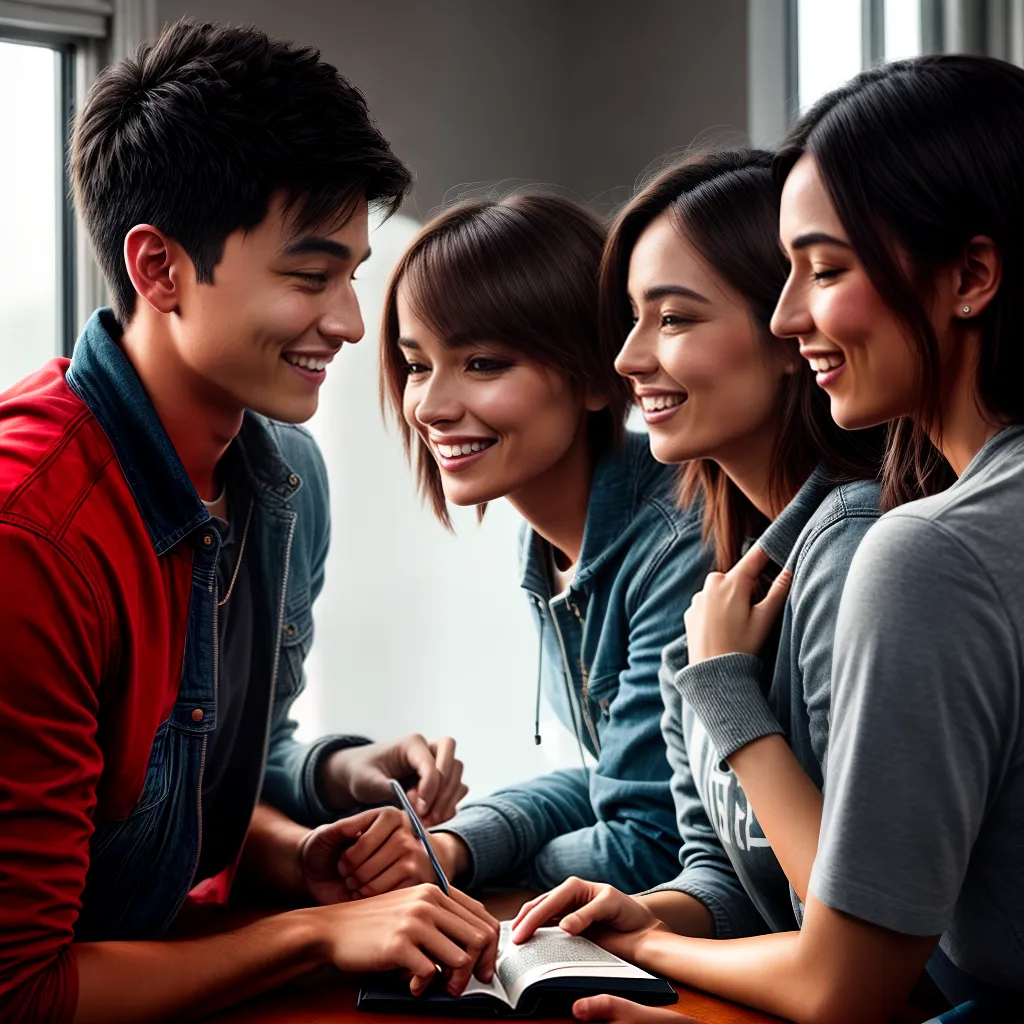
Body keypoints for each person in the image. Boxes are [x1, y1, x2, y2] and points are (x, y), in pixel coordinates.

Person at [0, 18, 498, 1024]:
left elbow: (212, 772)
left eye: (352, 274)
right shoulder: (31, 533)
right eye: (311, 276)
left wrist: (307, 842)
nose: (353, 323)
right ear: (160, 269)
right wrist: (313, 932)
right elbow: (23, 986)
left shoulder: (284, 482)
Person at [512, 56, 1024, 1024]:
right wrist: (651, 912)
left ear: (971, 276)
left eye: (823, 271)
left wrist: (646, 941)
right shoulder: (723, 589)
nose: (793, 318)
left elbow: (859, 971)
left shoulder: (914, 550)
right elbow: (734, 872)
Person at [513, 147, 882, 941]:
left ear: (788, 331)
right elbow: (733, 882)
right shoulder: (715, 579)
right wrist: (633, 912)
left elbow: (857, 930)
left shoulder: (855, 551)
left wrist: (720, 687)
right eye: (633, 320)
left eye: (673, 318)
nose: (627, 360)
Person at [349, 192, 710, 898]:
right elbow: (614, 783)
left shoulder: (674, 545)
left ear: (594, 378)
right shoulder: (553, 544)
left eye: (482, 364)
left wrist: (472, 867)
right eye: (418, 365)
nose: (430, 405)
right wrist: (450, 845)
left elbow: (650, 844)